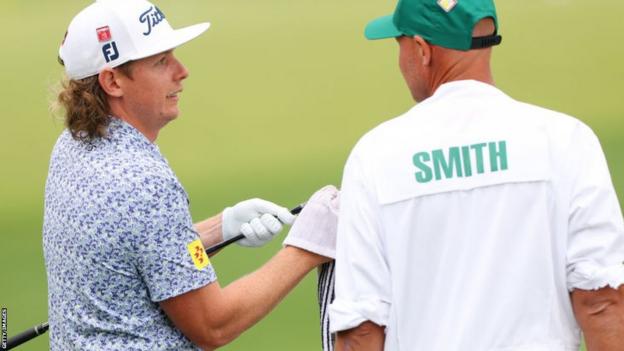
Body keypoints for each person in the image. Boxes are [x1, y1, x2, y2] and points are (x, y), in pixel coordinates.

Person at [328, 0, 624, 350]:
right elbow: (602, 302)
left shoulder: (374, 155)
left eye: (401, 44)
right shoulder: (567, 141)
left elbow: (360, 329)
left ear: (422, 50)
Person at [44, 0, 338, 350]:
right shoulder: (142, 182)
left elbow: (139, 252)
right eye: (161, 62)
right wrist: (305, 248)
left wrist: (222, 227)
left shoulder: (73, 144)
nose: (181, 71)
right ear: (113, 81)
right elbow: (213, 325)